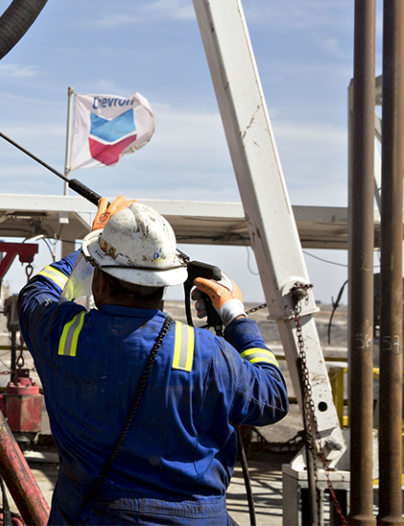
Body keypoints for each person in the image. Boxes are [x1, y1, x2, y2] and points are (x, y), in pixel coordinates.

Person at [19, 197, 288, 526]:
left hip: (88, 515)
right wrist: (235, 315)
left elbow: (36, 293)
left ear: (100, 281)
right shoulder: (207, 352)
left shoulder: (61, 335)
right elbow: (272, 397)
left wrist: (92, 247)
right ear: (164, 284)